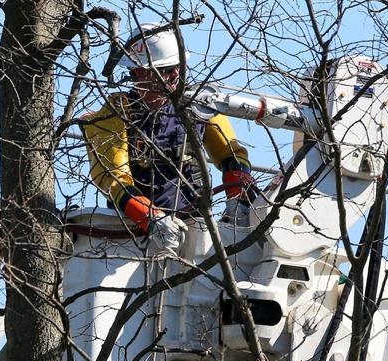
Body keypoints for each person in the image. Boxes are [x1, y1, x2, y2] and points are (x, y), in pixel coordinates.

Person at [81, 22, 259, 255]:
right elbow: (114, 179)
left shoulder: (197, 105)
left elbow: (231, 154)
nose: (175, 74)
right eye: (165, 69)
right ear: (140, 72)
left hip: (194, 225)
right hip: (132, 234)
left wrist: (239, 197)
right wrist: (150, 217)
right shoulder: (116, 112)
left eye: (178, 67)